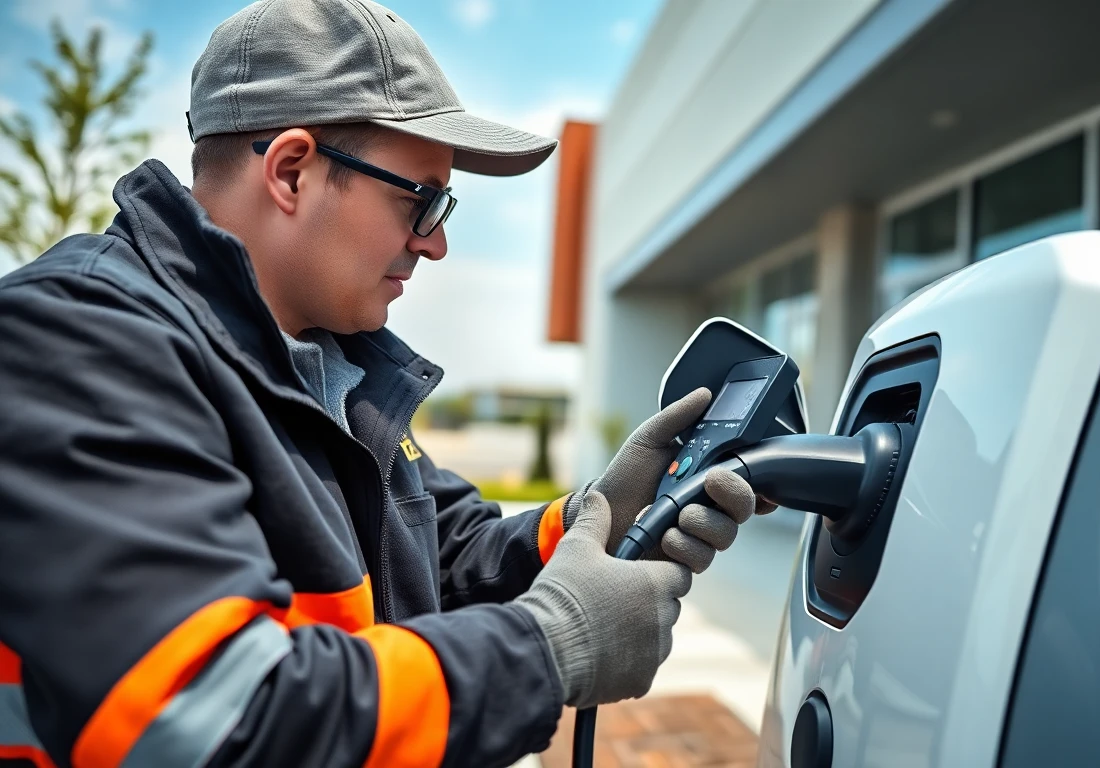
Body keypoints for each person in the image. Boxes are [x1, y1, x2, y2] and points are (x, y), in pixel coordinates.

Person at [0, 2, 773, 766]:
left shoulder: (326, 368)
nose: (435, 244)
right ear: (291, 172)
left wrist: (589, 522)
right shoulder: (77, 341)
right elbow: (214, 726)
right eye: (422, 200)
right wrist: (548, 647)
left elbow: (438, 558)